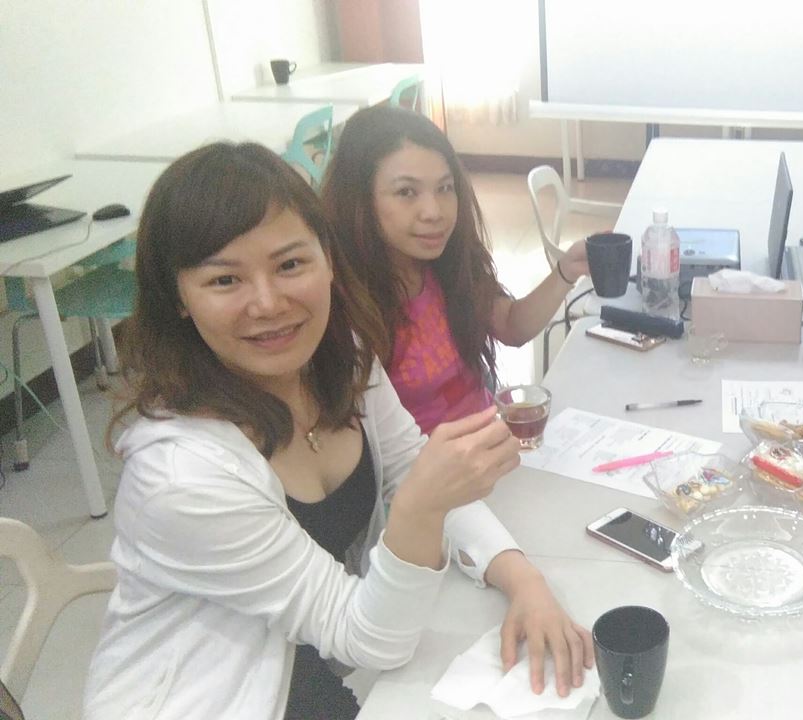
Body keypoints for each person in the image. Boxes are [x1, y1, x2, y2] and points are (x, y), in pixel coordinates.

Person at [83, 143, 592, 720]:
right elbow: (369, 637)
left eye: (290, 265)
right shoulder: (182, 477)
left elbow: (408, 467)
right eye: (225, 280)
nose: (268, 303)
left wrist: (523, 580)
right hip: (214, 697)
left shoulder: (340, 358)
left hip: (307, 663)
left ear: (328, 260)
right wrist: (419, 510)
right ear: (178, 298)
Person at [321, 106, 590, 434]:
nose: (434, 212)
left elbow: (510, 325)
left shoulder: (447, 264)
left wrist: (566, 270)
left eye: (445, 188)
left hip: (491, 443)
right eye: (406, 192)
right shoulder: (342, 305)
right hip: (427, 463)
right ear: (359, 200)